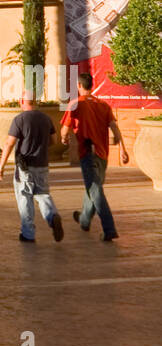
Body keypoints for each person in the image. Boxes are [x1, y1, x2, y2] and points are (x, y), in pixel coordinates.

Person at [60, 71, 129, 241]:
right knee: (93, 186)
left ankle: (109, 228)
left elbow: (65, 128)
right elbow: (114, 128)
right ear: (91, 85)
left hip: (87, 153)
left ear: (79, 86)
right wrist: (123, 149)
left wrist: (63, 138)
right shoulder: (104, 105)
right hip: (103, 154)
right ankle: (84, 219)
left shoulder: (75, 104)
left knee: (95, 190)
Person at [0, 94, 64, 243]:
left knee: (25, 198)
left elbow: (9, 143)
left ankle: (28, 234)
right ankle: (52, 217)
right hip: (42, 165)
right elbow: (54, 140)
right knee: (43, 194)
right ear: (36, 102)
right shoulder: (46, 119)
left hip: (25, 167)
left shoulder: (19, 119)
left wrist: (1, 166)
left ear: (22, 102)